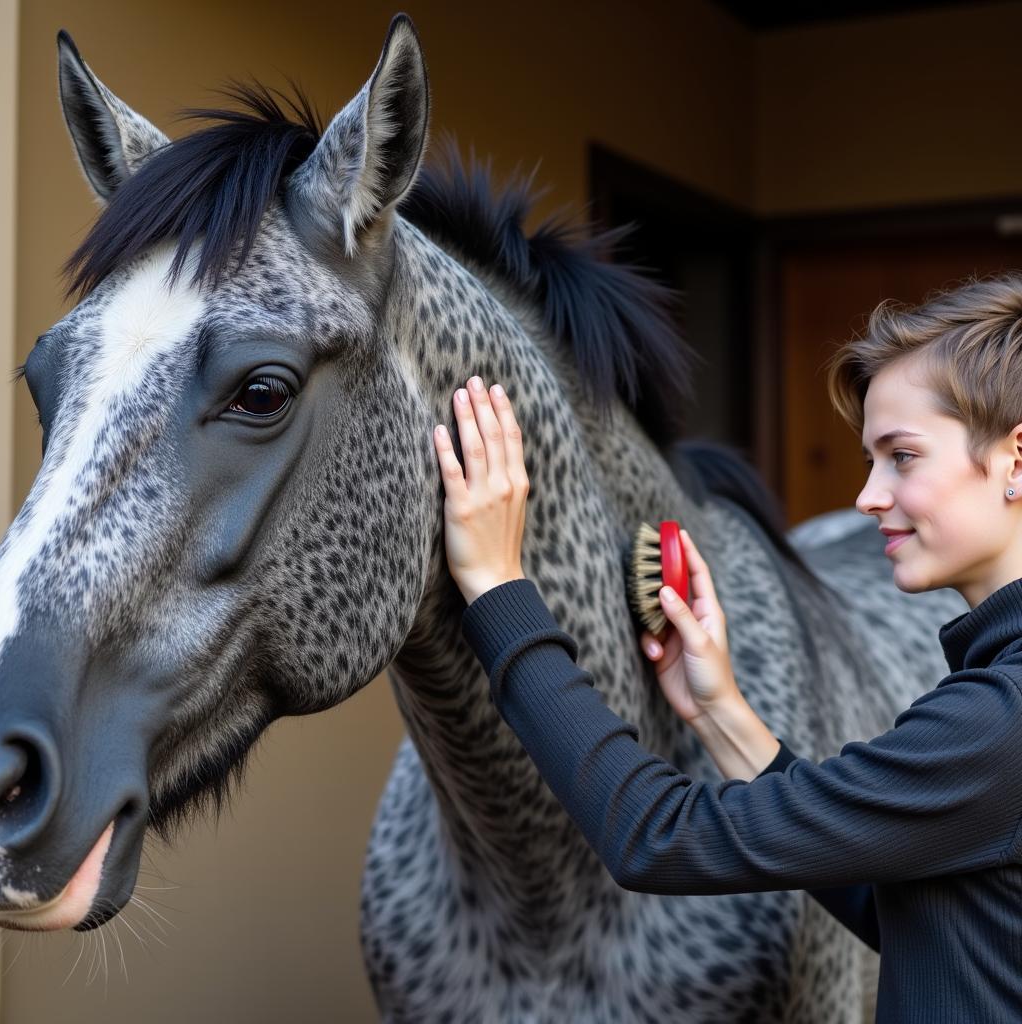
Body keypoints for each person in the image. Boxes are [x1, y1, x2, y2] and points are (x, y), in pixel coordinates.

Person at [429, 276, 1022, 1023]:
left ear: (1015, 460)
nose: (868, 495)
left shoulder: (995, 720)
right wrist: (719, 711)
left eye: (901, 456)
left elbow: (653, 838)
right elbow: (916, 918)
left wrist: (497, 592)